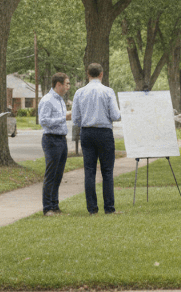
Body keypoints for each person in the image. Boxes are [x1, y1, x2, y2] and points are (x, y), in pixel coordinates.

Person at [72, 62, 123, 214]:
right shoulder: (108, 91)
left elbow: (75, 119)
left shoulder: (79, 92)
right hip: (104, 132)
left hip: (87, 132)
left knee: (89, 170)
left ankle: (92, 208)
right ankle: (109, 208)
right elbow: (115, 115)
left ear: (88, 74)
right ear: (101, 74)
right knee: (107, 171)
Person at [38, 72, 71, 216]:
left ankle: (55, 205)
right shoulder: (48, 100)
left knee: (58, 174)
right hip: (51, 139)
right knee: (51, 175)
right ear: (59, 85)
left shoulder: (61, 100)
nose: (68, 87)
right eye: (67, 84)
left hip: (61, 139)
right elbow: (43, 121)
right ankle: (47, 208)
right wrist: (64, 117)